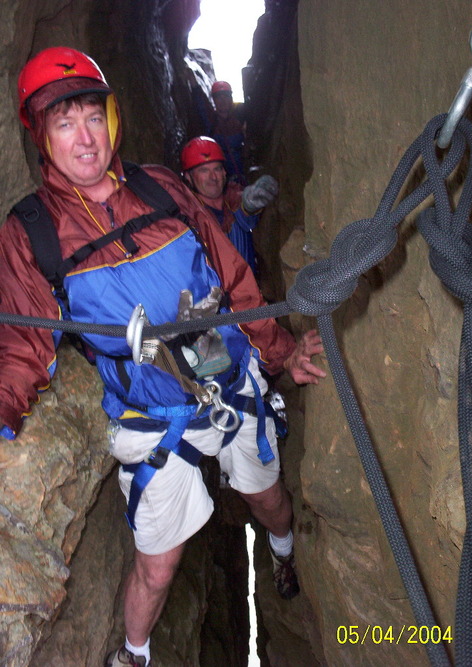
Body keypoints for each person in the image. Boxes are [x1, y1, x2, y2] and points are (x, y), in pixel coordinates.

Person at [1, 47, 326, 667]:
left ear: (112, 121)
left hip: (226, 379)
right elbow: (20, 348)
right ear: (41, 136)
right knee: (157, 565)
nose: (85, 138)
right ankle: (135, 653)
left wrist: (279, 353)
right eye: (64, 123)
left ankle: (281, 552)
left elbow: (232, 281)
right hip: (152, 416)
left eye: (92, 117)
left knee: (267, 498)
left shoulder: (158, 185)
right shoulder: (32, 233)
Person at [181, 135, 277, 275]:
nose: (213, 177)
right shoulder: (186, 213)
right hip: (212, 294)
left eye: (217, 169)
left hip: (248, 290)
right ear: (189, 177)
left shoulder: (234, 197)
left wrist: (251, 204)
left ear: (224, 172)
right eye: (204, 171)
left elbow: (246, 217)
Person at [191, 78, 247, 185]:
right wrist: (194, 86)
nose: (222, 101)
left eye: (225, 96)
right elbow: (202, 106)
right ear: (214, 100)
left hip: (244, 171)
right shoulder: (212, 121)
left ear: (231, 98)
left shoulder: (241, 116)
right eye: (218, 98)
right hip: (222, 176)